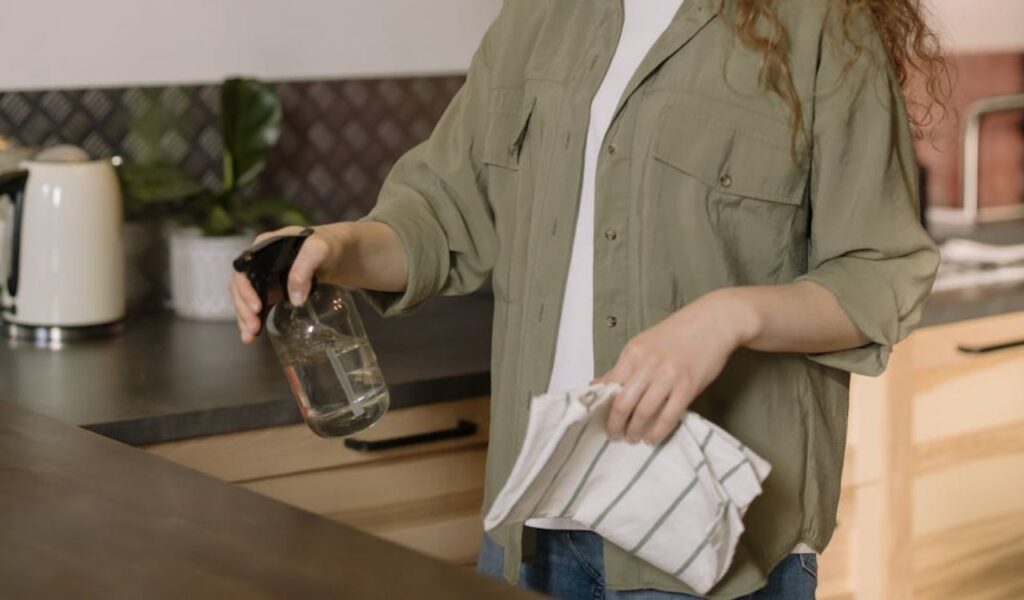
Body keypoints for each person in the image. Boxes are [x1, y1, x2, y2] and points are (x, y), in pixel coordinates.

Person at [231, 1, 949, 597]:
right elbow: (441, 217)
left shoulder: (823, 21)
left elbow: (881, 272)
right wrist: (335, 247)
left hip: (710, 544)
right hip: (533, 527)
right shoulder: (540, 17)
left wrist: (730, 316)